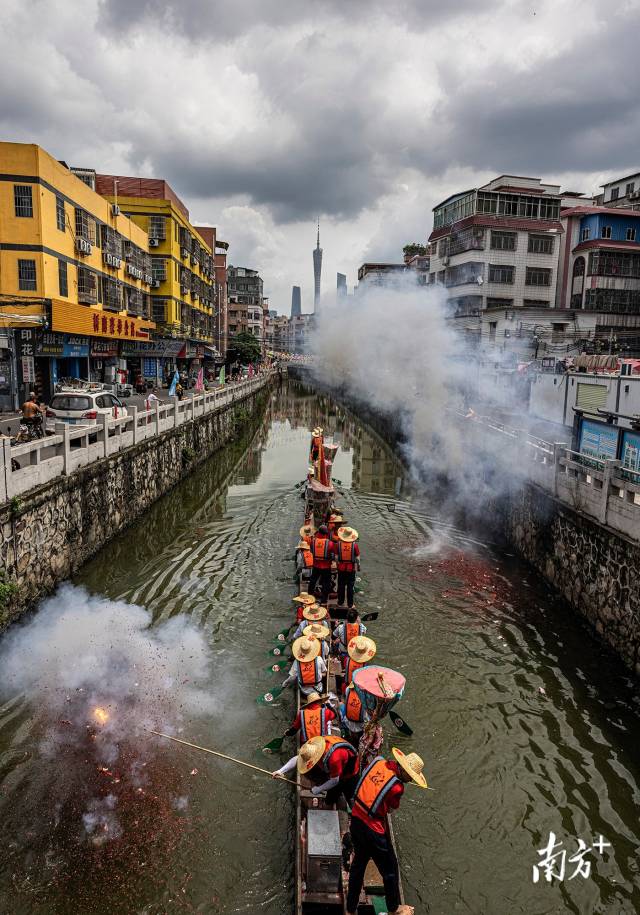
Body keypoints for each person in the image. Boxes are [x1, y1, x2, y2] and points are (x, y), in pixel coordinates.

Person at [345, 749, 427, 915]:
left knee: (358, 865)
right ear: (404, 771)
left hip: (356, 820)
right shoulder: (396, 787)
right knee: (390, 870)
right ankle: (393, 907)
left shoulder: (379, 762)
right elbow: (390, 809)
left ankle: (350, 907)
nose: (411, 780)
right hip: (373, 831)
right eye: (411, 776)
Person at [273, 734, 360, 805]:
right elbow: (297, 759)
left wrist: (319, 789)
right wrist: (280, 771)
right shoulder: (314, 746)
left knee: (338, 795)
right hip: (334, 765)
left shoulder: (334, 759)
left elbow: (335, 780)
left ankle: (333, 802)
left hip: (348, 772)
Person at [309, 524, 337, 606]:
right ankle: (324, 600)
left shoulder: (313, 542)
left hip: (316, 565)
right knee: (326, 583)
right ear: (326, 533)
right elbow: (332, 556)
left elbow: (311, 552)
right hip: (326, 566)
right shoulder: (330, 543)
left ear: (318, 532)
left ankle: (310, 596)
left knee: (313, 580)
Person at [336, 526, 360, 610]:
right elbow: (357, 558)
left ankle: (340, 602)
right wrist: (358, 566)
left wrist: (337, 564)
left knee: (341, 586)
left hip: (341, 568)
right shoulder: (355, 545)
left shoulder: (338, 544)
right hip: (351, 568)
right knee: (350, 586)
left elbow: (336, 557)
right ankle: (350, 604)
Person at [339, 683, 368, 747]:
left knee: (341, 705)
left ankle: (351, 738)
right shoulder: (367, 694)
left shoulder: (348, 689)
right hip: (361, 725)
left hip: (349, 722)